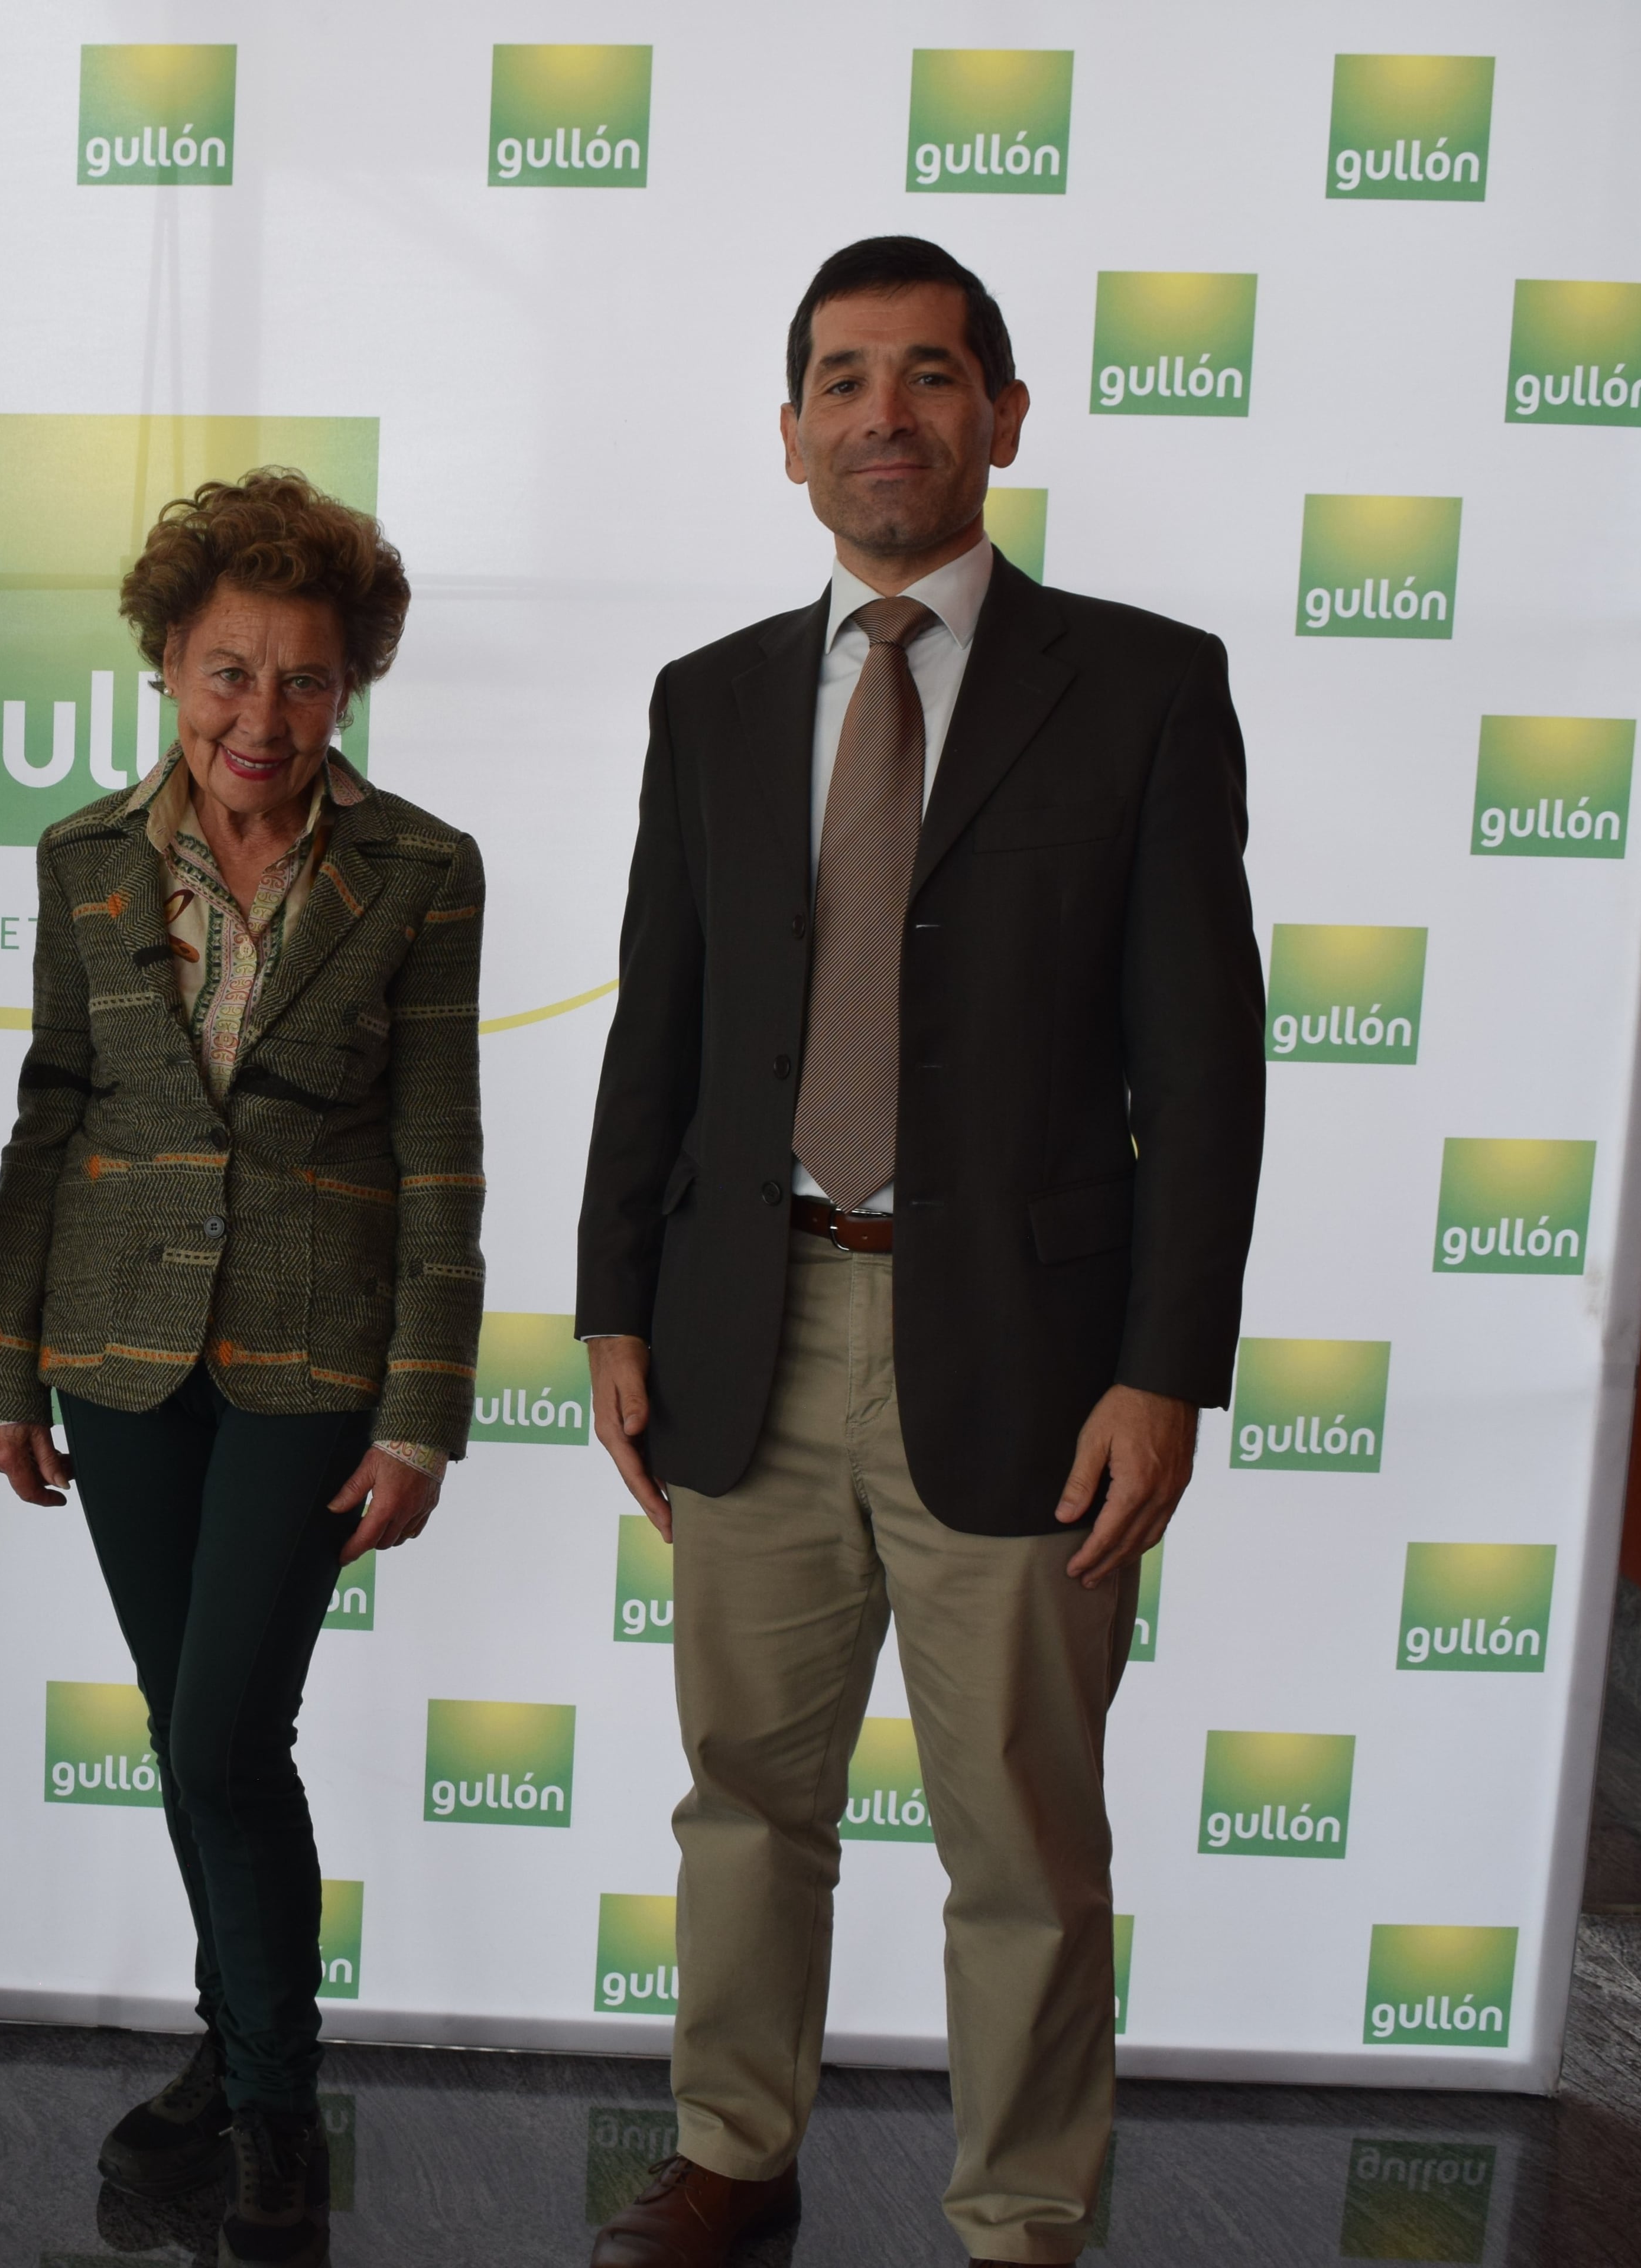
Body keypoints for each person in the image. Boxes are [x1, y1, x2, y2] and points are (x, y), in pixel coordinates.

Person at [576, 237, 1264, 2268]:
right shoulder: (707, 703)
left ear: (1007, 419)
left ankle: (1029, 2217)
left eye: (935, 375)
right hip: (747, 1322)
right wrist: (614, 1296)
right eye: (847, 378)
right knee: (745, 1801)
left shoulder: (1143, 687)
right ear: (792, 437)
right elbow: (662, 1026)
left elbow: (1204, 1067)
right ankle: (732, 2153)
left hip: (1039, 1360)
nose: (890, 412)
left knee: (1027, 1842)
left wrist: (1166, 1368)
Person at [0, 470, 485, 2268]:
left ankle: (271, 2110)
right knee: (206, 1745)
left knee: (217, 1737)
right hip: (114, 1356)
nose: (265, 717)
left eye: (310, 680)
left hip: (311, 1360)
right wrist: (3, 1361)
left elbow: (442, 1153)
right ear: (167, 665)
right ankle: (231, 2048)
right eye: (229, 673)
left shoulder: (421, 870)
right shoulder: (85, 859)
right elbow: (51, 1117)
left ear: (350, 689)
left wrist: (423, 1414)